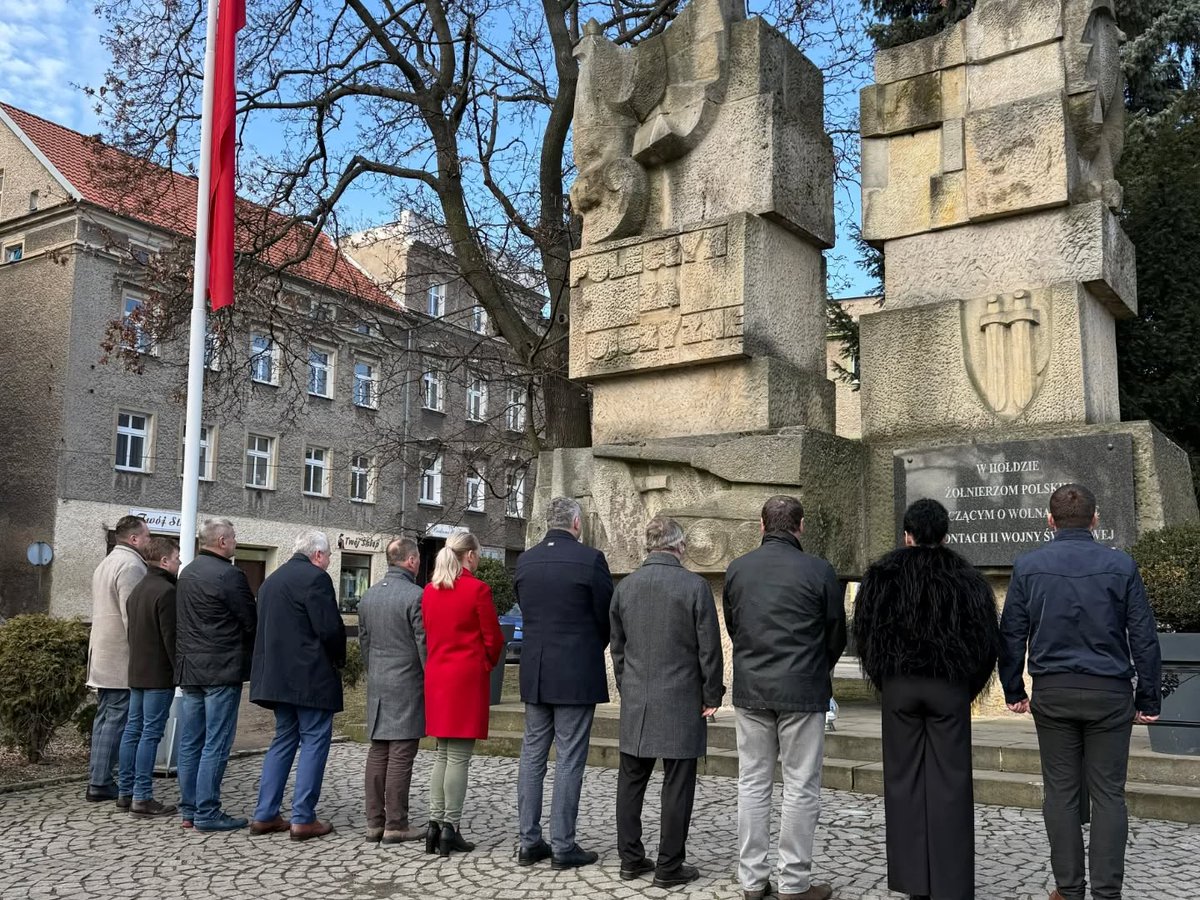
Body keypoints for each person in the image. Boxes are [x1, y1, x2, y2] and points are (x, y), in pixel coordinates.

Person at [1000, 484, 1161, 900]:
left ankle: (1069, 890)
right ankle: (1107, 893)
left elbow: (1013, 633)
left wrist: (1014, 689)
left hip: (1054, 691)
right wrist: (1149, 698)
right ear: (1095, 519)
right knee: (1109, 793)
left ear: (1050, 521)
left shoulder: (1029, 566)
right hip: (1109, 692)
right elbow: (1143, 636)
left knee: (1061, 791)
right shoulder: (1121, 566)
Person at [852, 498, 1002, 900]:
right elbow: (987, 642)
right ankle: (951, 884)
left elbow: (865, 637)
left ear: (907, 534)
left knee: (903, 782)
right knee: (951, 783)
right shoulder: (967, 578)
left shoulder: (882, 576)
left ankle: (914, 880)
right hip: (949, 687)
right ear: (945, 534)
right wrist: (965, 689)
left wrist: (888, 682)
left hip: (900, 685)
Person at [723, 495, 846, 900]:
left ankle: (752, 881)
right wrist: (815, 667)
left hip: (753, 688)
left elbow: (735, 625)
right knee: (800, 786)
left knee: (752, 783)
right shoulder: (819, 570)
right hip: (802, 689)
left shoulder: (738, 569)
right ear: (801, 526)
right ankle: (794, 883)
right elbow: (835, 635)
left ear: (761, 525)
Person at [610, 517, 725, 888]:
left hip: (638, 701)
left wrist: (629, 687)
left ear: (648, 546)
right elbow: (709, 649)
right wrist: (712, 694)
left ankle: (630, 859)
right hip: (681, 700)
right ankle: (668, 866)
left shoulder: (625, 588)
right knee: (677, 785)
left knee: (631, 781)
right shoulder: (694, 586)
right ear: (679, 547)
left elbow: (618, 649)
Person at [514, 497, 614, 870]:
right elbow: (606, 615)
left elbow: (527, 609)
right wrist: (589, 646)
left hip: (536, 671)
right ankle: (563, 845)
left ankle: (528, 840)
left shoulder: (526, 561)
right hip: (575, 670)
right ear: (576, 523)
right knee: (570, 758)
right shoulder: (590, 560)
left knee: (533, 755)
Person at [249, 530, 347, 840]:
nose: (329, 561)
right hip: (310, 678)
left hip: (277, 679)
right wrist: (340, 660)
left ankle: (265, 813)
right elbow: (329, 629)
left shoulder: (270, 582)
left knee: (283, 742)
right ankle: (303, 818)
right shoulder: (315, 579)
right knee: (314, 742)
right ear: (318, 555)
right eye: (329, 556)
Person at [421, 530, 505, 857]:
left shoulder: (428, 591)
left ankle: (434, 823)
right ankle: (449, 828)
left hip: (438, 675)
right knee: (457, 756)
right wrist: (486, 662)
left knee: (442, 752)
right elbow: (493, 638)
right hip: (466, 677)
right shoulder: (477, 589)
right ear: (469, 555)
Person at [175, 517, 256, 832]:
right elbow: (250, 620)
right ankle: (207, 811)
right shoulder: (230, 575)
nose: (235, 542)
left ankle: (188, 809)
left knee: (190, 741)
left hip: (190, 668)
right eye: (233, 537)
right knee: (216, 742)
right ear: (222, 541)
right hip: (221, 669)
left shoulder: (187, 572)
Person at [358, 537, 427, 844]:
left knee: (378, 751)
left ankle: (374, 822)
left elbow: (364, 643)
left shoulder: (368, 596)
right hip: (407, 683)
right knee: (400, 754)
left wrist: (375, 672)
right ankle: (396, 823)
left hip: (379, 683)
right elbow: (424, 644)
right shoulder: (416, 596)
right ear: (411, 561)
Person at [84, 514, 149, 804]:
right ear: (134, 538)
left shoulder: (107, 561)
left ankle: (98, 777)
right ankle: (101, 782)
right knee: (116, 720)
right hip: (120, 656)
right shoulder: (131, 565)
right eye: (146, 536)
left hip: (103, 653)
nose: (149, 541)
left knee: (105, 719)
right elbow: (133, 616)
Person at [117, 536, 182, 817]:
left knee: (133, 731)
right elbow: (171, 638)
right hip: (157, 675)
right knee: (150, 734)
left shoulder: (139, 589)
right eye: (177, 558)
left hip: (137, 672)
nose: (180, 563)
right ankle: (142, 797)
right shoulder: (166, 592)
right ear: (165, 561)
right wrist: (180, 672)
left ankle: (126, 791)